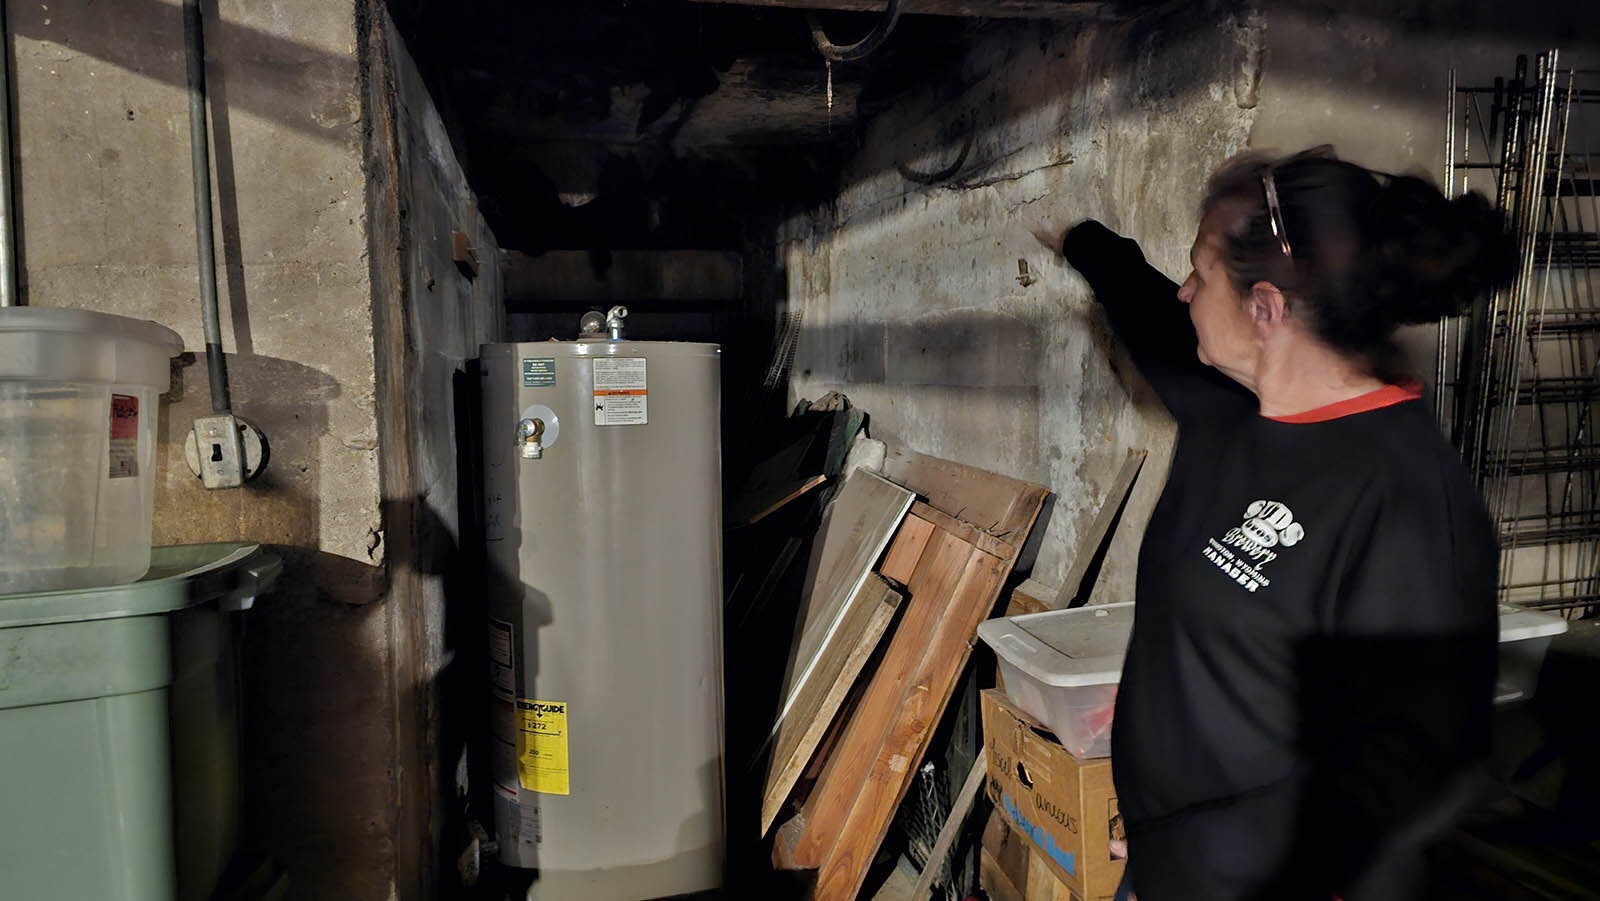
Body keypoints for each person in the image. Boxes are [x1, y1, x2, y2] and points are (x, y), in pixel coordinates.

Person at [1051, 146, 1517, 900]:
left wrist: (1194, 856)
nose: (1183, 291)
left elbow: (1405, 771)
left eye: (1199, 275)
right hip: (1166, 867)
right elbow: (1151, 315)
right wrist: (1083, 243)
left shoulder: (1404, 496)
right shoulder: (1231, 409)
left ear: (1264, 308)